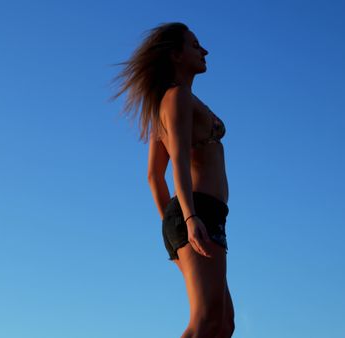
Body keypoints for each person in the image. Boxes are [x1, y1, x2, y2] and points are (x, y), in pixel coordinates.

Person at [111, 22, 235, 338]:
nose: (204, 50)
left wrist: (174, 225)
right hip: (198, 212)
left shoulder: (167, 104)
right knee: (206, 322)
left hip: (201, 215)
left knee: (223, 325)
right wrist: (188, 218)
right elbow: (176, 160)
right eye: (195, 45)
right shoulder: (176, 96)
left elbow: (154, 176)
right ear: (176, 54)